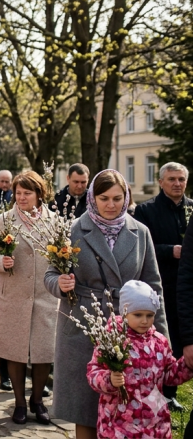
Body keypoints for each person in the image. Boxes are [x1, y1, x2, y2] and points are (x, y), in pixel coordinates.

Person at [45, 169, 166, 439]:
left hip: (131, 330)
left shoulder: (140, 232)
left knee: (127, 408)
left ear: (126, 198)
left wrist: (161, 340)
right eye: (103, 198)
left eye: (117, 198)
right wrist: (60, 284)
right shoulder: (74, 229)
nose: (111, 205)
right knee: (86, 408)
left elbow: (153, 286)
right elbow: (50, 274)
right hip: (83, 326)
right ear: (92, 197)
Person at [0, 171, 58, 425]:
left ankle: (37, 400)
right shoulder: (5, 220)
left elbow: (63, 254)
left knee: (43, 352)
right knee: (14, 350)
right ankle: (19, 402)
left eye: (28, 193)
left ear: (39, 194)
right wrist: (1, 262)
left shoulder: (54, 221)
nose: (22, 197)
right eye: (18, 193)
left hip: (45, 296)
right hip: (13, 295)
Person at [87, 280, 193, 439]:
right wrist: (109, 379)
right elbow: (93, 371)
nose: (145, 320)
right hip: (120, 422)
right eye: (138, 315)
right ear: (124, 313)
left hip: (154, 422)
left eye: (149, 315)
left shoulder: (159, 342)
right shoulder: (112, 341)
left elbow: (169, 374)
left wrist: (187, 364)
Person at [132, 162, 191, 411]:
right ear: (161, 181)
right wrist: (172, 251)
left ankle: (171, 391)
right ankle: (156, 391)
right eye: (172, 179)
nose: (177, 183)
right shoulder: (146, 211)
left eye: (181, 179)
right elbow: (141, 249)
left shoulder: (191, 209)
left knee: (182, 336)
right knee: (162, 341)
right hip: (161, 284)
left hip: (187, 286)